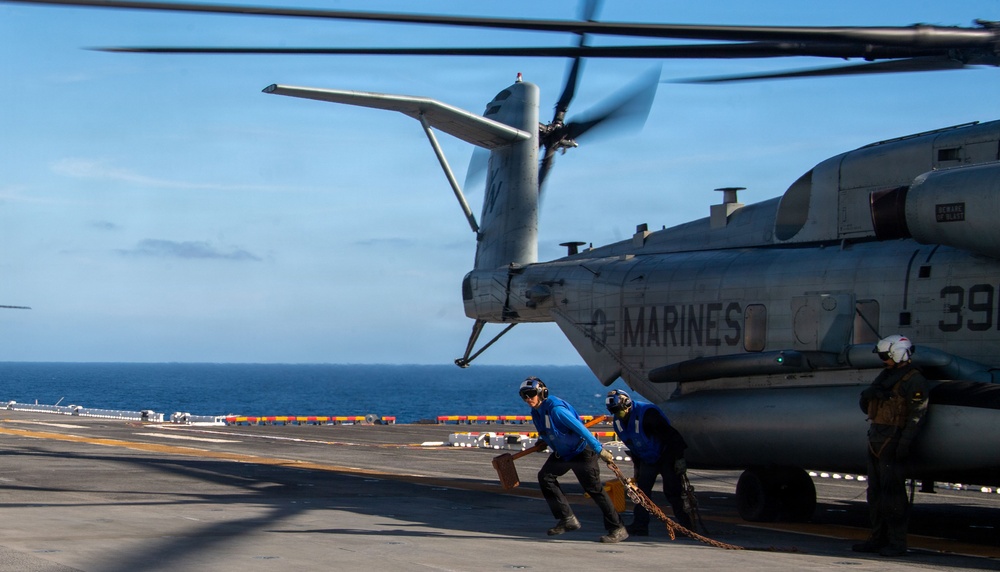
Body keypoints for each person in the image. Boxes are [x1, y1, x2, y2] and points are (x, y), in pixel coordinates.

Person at [519, 376, 628, 543]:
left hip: (582, 451)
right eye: (524, 395)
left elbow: (581, 429)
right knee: (545, 476)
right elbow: (548, 431)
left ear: (542, 392)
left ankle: (618, 528)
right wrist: (544, 441)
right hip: (564, 453)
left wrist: (600, 450)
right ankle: (567, 519)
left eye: (531, 394)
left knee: (594, 489)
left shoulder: (556, 410)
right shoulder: (536, 412)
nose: (528, 399)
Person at [853, 335, 929, 557]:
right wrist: (869, 396)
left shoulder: (914, 380)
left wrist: (905, 442)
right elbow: (866, 404)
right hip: (876, 438)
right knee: (875, 494)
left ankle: (897, 542)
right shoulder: (886, 376)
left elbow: (917, 414)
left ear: (897, 353)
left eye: (886, 356)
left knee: (893, 495)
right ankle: (877, 538)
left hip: (893, 441)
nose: (884, 360)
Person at [605, 389, 692, 535]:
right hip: (646, 458)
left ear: (627, 404)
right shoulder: (619, 422)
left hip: (666, 455)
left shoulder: (648, 415)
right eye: (614, 411)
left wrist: (679, 459)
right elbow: (633, 445)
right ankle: (640, 525)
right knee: (641, 492)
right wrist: (637, 468)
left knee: (672, 492)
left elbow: (672, 436)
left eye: (619, 410)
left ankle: (687, 526)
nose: (618, 414)